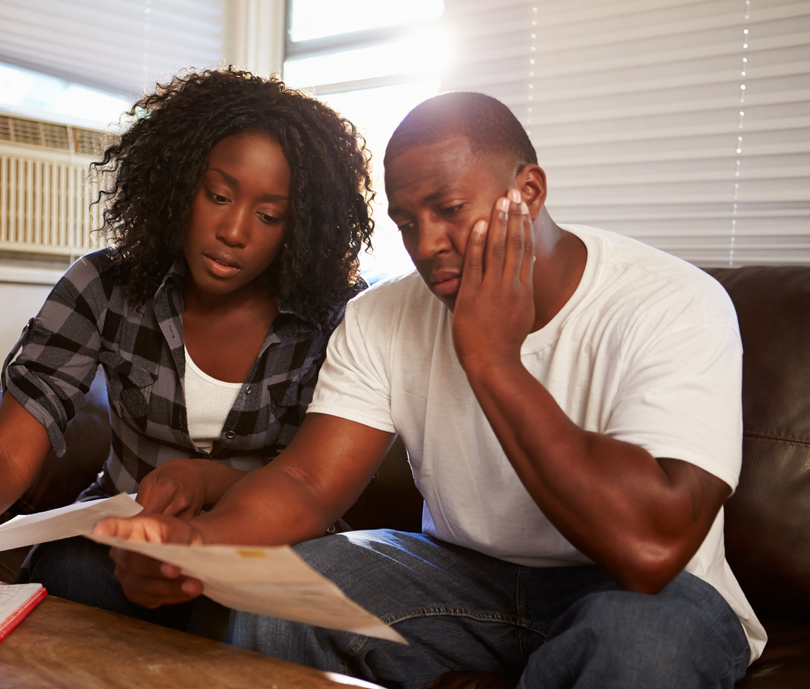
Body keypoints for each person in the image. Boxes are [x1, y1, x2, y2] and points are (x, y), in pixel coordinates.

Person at [91, 91, 766, 688]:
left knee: (647, 643)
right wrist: (196, 548)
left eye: (448, 209)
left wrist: (494, 359)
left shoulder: (672, 302)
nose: (427, 243)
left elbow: (650, 549)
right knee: (278, 595)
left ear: (528, 192)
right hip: (463, 581)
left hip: (639, 594)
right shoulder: (383, 313)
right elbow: (306, 483)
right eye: (407, 221)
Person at [0, 67, 374, 631]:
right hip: (122, 551)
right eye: (218, 195)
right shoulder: (103, 287)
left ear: (300, 225)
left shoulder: (338, 315)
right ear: (178, 185)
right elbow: (7, 452)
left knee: (282, 616)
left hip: (270, 557)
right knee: (62, 570)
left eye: (269, 215)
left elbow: (309, 481)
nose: (234, 230)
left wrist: (203, 503)